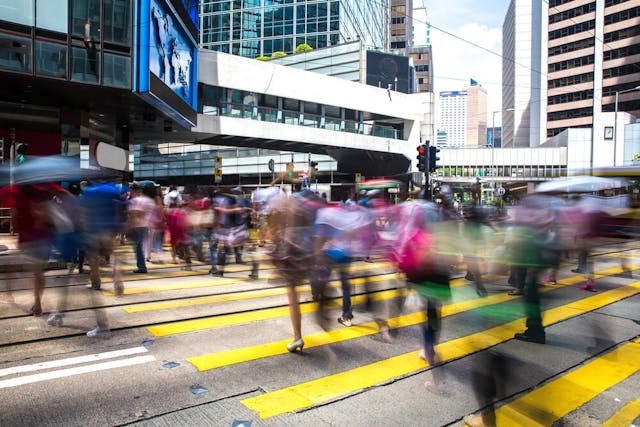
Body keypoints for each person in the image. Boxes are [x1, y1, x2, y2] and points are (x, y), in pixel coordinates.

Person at [128, 184, 156, 274]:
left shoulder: (136, 200)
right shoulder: (150, 201)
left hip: (138, 226)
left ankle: (142, 267)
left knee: (138, 247)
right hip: (147, 225)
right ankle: (142, 265)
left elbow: (137, 212)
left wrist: (132, 224)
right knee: (139, 246)